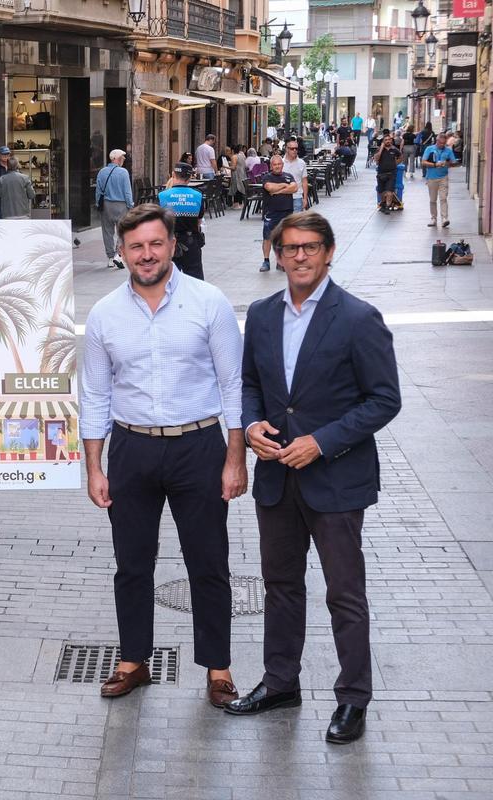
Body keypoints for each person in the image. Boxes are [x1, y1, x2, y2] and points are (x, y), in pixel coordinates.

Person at [226, 212, 401, 745]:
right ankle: (281, 682)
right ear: (277, 255)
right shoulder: (261, 315)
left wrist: (321, 442)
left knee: (344, 593)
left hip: (337, 481)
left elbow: (384, 399)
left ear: (329, 252)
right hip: (276, 477)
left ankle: (353, 698)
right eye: (290, 248)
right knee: (280, 586)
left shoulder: (358, 318)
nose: (299, 256)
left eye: (310, 247)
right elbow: (249, 384)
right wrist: (252, 426)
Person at [80, 204, 246, 708]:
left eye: (155, 244)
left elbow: (233, 385)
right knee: (131, 563)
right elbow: (95, 394)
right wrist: (95, 467)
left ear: (173, 245)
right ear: (122, 251)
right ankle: (133, 660)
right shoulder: (104, 314)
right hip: (132, 448)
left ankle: (218, 668)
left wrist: (235, 458)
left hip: (199, 445)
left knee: (208, 562)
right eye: (136, 246)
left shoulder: (209, 302)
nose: (146, 254)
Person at [158, 162, 206, 280]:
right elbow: (199, 221)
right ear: (189, 178)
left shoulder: (161, 196)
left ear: (173, 175)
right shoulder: (198, 196)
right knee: (195, 280)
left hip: (168, 243)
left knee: (166, 280)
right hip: (191, 242)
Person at [96, 149, 133, 269]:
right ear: (117, 159)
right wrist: (130, 205)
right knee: (123, 231)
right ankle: (118, 254)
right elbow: (127, 192)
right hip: (121, 205)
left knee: (107, 232)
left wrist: (98, 204)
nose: (123, 160)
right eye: (122, 158)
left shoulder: (102, 172)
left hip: (106, 205)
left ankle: (110, 258)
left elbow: (98, 191)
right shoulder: (123, 172)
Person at [259, 154, 297, 273]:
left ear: (282, 165)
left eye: (279, 164)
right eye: (274, 164)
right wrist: (285, 186)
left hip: (287, 212)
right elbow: (269, 188)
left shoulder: (288, 176)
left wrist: (278, 191)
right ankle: (266, 261)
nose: (277, 166)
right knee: (267, 237)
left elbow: (294, 188)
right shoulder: (267, 177)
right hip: (271, 212)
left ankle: (281, 262)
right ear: (271, 166)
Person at [421, 131, 455, 228]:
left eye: (444, 143)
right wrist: (435, 164)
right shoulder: (429, 149)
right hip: (431, 177)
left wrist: (448, 163)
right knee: (433, 200)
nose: (442, 145)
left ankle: (444, 218)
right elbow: (423, 162)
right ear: (437, 141)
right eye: (440, 143)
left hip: (443, 177)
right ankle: (433, 218)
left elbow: (453, 162)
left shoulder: (448, 150)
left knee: (443, 198)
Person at [373, 132, 401, 215]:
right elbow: (376, 159)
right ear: (383, 141)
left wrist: (395, 164)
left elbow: (400, 157)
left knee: (389, 191)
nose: (388, 141)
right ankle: (383, 205)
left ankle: (387, 207)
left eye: (389, 139)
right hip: (381, 173)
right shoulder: (379, 149)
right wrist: (381, 148)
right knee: (381, 191)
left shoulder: (394, 149)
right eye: (386, 140)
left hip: (391, 173)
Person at [281, 140, 310, 213]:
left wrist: (305, 198)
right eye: (292, 148)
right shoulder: (281, 163)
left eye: (296, 148)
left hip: (297, 197)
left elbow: (304, 181)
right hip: (283, 197)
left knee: (297, 219)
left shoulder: (301, 163)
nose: (294, 150)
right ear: (287, 149)